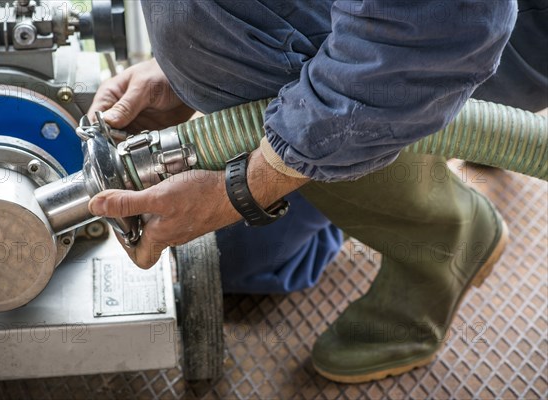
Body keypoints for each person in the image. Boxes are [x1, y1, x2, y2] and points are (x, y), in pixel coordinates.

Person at [86, 0, 547, 383]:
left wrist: (242, 189)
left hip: (472, 34)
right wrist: (181, 66)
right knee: (237, 260)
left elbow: (442, 30)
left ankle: (444, 237)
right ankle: (376, 154)